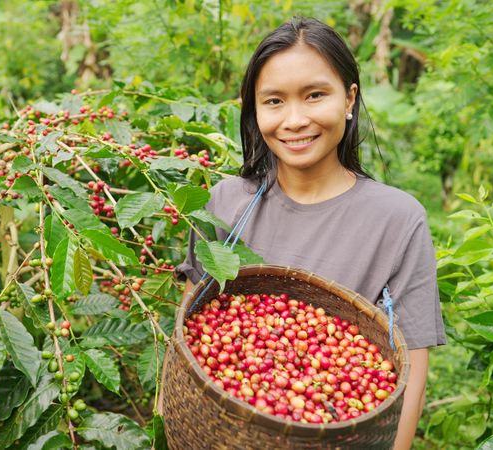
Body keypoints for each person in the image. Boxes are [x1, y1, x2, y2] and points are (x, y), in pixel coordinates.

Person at [174, 16, 446, 449]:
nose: (295, 119)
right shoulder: (225, 204)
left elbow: (407, 374)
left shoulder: (398, 220)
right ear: (254, 108)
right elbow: (187, 342)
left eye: (315, 95)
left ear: (349, 98)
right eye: (274, 101)